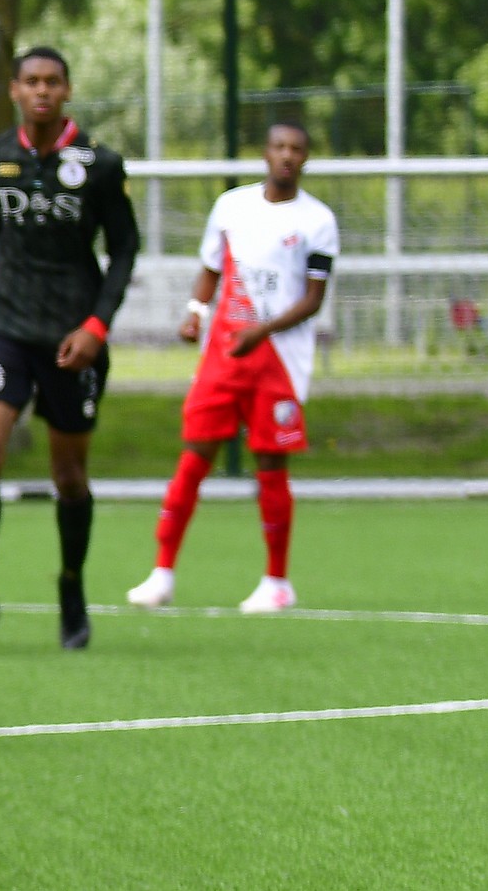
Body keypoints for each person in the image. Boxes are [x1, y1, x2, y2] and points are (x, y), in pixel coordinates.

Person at [0, 47, 140, 652]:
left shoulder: (99, 164)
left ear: (68, 90)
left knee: (69, 476)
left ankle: (71, 589)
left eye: (53, 81)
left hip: (70, 338)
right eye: (31, 81)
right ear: (14, 90)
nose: (42, 91)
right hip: (3, 325)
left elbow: (125, 251)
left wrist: (96, 327)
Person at [128, 121, 336, 615]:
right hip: (223, 358)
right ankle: (162, 572)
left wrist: (261, 332)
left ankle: (277, 581)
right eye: (279, 146)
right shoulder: (231, 207)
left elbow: (313, 300)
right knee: (193, 460)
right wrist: (194, 313)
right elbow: (211, 270)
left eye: (297, 149)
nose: (287, 156)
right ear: (265, 153)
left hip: (278, 364)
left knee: (271, 468)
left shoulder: (318, 220)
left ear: (306, 158)